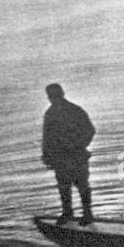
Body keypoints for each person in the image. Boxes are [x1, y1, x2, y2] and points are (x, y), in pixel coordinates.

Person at [41, 83, 95, 224]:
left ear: (62, 94)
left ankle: (88, 215)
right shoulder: (49, 114)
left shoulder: (75, 111)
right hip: (60, 158)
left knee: (82, 185)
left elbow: (90, 130)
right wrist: (46, 155)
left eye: (56, 95)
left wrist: (79, 146)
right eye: (51, 96)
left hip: (77, 156)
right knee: (63, 187)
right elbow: (46, 137)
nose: (54, 99)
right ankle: (67, 214)